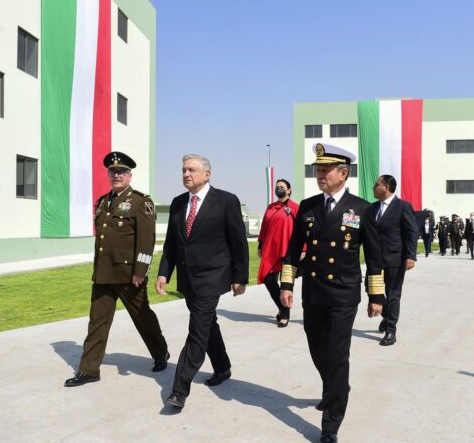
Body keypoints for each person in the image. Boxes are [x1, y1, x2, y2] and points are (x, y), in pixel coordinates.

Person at [279, 143, 385, 443]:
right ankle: (337, 388)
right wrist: (287, 285)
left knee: (338, 357)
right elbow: (292, 251)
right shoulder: (309, 206)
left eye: (326, 170)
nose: (320, 174)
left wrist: (376, 296)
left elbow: (374, 257)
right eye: (318, 169)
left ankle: (330, 424)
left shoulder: (362, 208)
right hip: (312, 291)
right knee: (317, 349)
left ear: (344, 173)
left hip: (343, 292)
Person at [65, 152, 169, 387]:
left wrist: (140, 270)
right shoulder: (102, 201)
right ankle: (89, 369)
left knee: (142, 317)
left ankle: (160, 352)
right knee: (97, 322)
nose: (116, 175)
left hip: (128, 275)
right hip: (103, 274)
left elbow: (146, 240)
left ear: (130, 175)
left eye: (121, 172)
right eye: (113, 172)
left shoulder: (142, 202)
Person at [156, 154, 249, 409]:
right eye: (184, 170)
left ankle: (179, 389)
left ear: (207, 174)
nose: (186, 174)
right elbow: (171, 245)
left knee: (197, 330)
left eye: (192, 170)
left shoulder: (226, 200)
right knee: (208, 324)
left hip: (213, 275)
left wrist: (240, 278)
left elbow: (238, 242)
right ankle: (222, 367)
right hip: (188, 278)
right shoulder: (177, 204)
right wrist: (164, 272)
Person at [371, 174, 417, 346]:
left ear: (386, 187)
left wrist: (411, 256)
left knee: (393, 295)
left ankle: (391, 330)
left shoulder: (402, 206)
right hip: (375, 258)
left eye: (377, 184)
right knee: (373, 290)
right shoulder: (373, 207)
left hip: (395, 257)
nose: (374, 187)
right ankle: (387, 315)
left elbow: (411, 232)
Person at [257, 179, 299, 327]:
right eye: (277, 187)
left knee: (286, 284)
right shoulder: (270, 207)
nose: (279, 189)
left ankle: (285, 314)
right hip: (270, 249)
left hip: (289, 251)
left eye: (282, 187)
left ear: (289, 190)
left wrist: (304, 249)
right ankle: (282, 307)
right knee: (268, 279)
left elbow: (302, 230)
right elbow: (264, 227)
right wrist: (260, 245)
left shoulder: (295, 207)